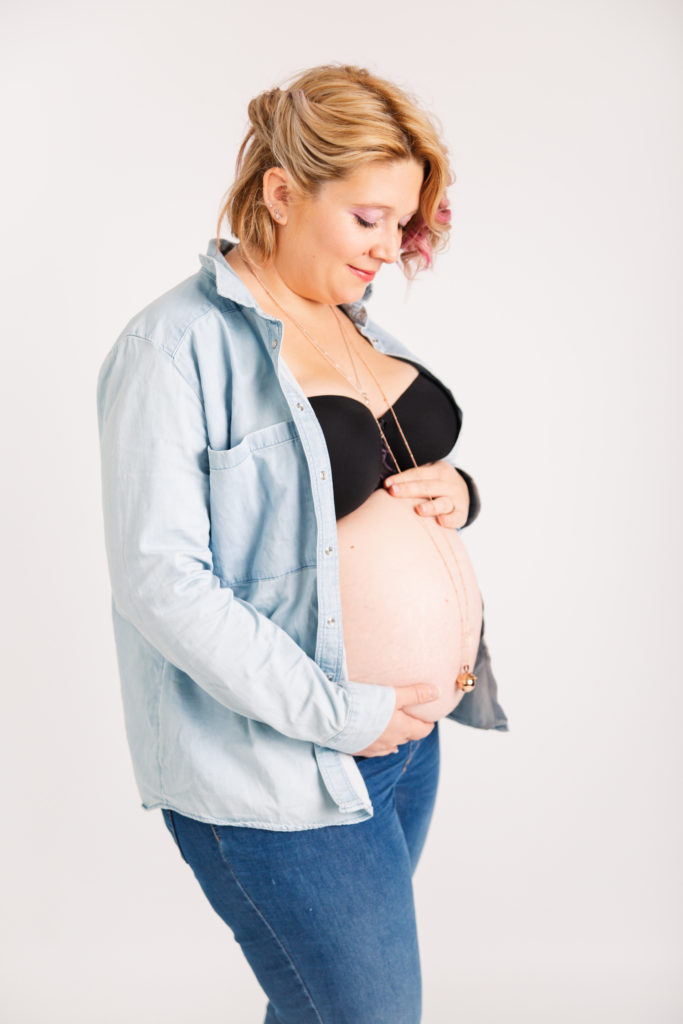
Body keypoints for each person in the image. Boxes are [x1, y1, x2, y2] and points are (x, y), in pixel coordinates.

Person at [96, 62, 509, 1024]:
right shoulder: (173, 347)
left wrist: (459, 491)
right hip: (282, 757)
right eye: (367, 219)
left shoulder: (349, 322)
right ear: (281, 192)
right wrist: (339, 712)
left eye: (400, 225)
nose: (388, 247)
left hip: (401, 747)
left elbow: (365, 486)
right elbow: (160, 581)